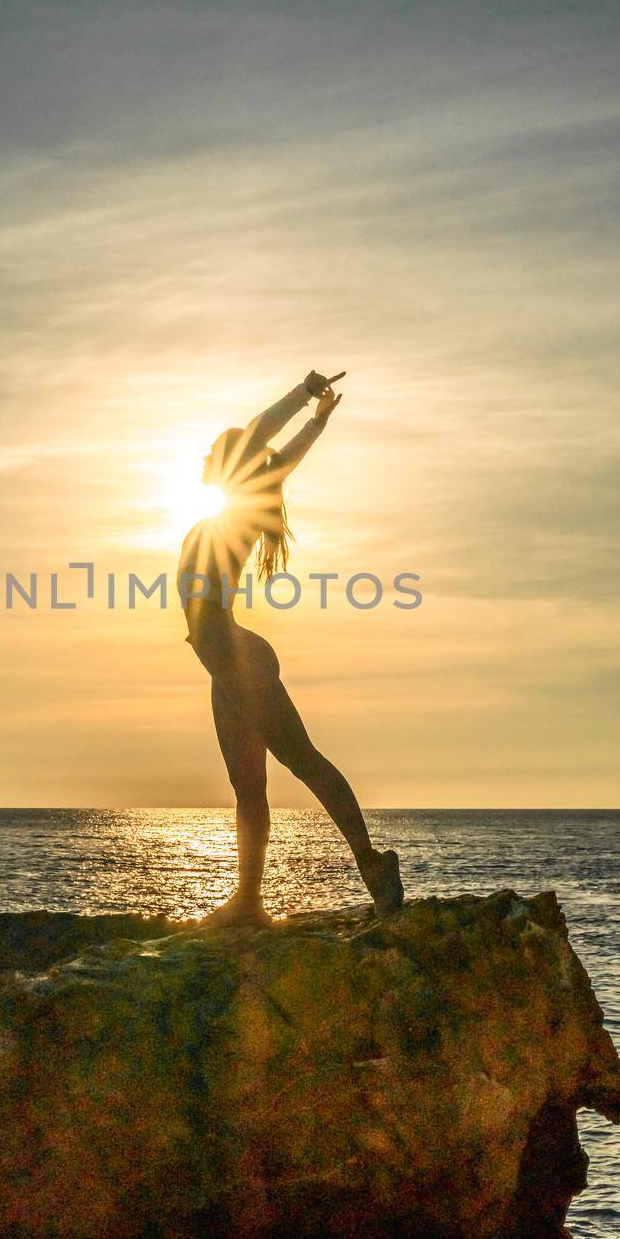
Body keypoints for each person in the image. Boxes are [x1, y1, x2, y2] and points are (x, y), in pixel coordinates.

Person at [177, 369, 404, 925]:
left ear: (236, 463)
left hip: (236, 657)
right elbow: (285, 458)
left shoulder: (237, 508)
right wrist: (319, 423)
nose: (205, 455)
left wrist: (305, 395)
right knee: (248, 785)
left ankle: (374, 865)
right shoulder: (238, 507)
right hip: (225, 661)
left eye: (215, 450)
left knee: (300, 759)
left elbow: (261, 434)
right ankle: (250, 900)